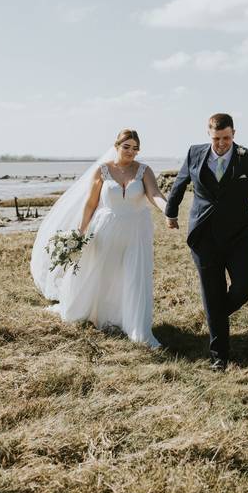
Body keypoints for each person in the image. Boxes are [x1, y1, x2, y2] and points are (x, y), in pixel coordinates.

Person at [30, 129, 166, 348]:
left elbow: (155, 194)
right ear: (117, 146)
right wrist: (80, 232)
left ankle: (134, 325)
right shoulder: (102, 171)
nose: (131, 151)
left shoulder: (144, 170)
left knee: (134, 273)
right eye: (126, 146)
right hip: (106, 228)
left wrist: (167, 210)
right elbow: (91, 204)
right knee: (101, 272)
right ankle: (97, 312)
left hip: (136, 230)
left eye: (135, 148)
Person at [165, 113, 248, 371]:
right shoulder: (195, 153)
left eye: (226, 138)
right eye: (216, 138)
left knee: (244, 288)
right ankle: (219, 357)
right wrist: (171, 213)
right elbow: (180, 184)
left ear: (234, 134)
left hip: (239, 236)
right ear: (209, 134)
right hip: (203, 237)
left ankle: (214, 316)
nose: (221, 143)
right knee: (212, 293)